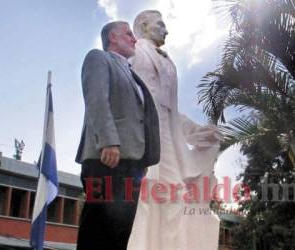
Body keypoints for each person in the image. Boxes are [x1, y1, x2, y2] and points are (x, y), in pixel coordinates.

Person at [127, 10, 222, 250]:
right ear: (144, 26)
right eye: (160, 24)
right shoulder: (135, 53)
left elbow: (171, 110)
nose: (166, 30)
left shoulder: (169, 62)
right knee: (143, 198)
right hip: (142, 138)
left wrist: (198, 132)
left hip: (167, 141)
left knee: (175, 198)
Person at [75, 21, 160, 250]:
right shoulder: (99, 58)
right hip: (107, 159)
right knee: (97, 231)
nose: (134, 39)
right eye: (129, 34)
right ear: (113, 37)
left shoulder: (131, 74)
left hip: (132, 165)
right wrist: (108, 141)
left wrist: (143, 160)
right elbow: (97, 100)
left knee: (119, 236)